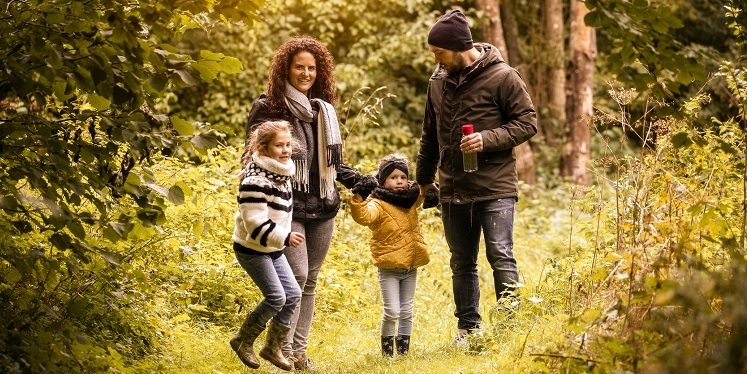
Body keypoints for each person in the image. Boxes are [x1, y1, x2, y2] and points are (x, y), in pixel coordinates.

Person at [415, 9, 538, 346]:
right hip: (453, 187)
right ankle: (468, 330)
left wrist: (487, 139)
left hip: (495, 186)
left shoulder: (503, 77)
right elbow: (429, 134)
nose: (435, 58)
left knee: (500, 254)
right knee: (461, 262)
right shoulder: (438, 82)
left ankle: (510, 329)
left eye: (439, 52)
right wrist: (424, 179)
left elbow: (527, 122)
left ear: (458, 46)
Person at [245, 36, 361, 370]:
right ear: (286, 68)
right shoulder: (268, 107)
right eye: (299, 67)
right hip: (288, 207)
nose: (306, 73)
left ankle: (298, 352)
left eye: (311, 68)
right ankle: (276, 347)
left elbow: (332, 163)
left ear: (319, 71)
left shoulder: (323, 109)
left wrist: (361, 181)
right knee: (295, 276)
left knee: (310, 278)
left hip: (323, 205)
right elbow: (254, 157)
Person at [230, 120, 305, 371]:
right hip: (252, 249)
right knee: (276, 297)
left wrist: (282, 238)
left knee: (293, 294)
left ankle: (272, 347)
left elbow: (280, 213)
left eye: (287, 145)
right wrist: (285, 238)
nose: (285, 151)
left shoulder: (281, 172)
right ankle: (243, 340)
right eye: (278, 146)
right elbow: (255, 224)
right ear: (263, 148)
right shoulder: (255, 181)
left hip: (271, 248)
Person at [348, 154, 436, 357]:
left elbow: (425, 192)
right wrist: (359, 197)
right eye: (393, 177)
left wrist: (432, 193)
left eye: (403, 177)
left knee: (406, 312)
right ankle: (387, 355)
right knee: (392, 312)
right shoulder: (377, 203)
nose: (399, 181)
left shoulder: (411, 198)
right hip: (389, 268)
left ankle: (403, 354)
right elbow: (363, 216)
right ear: (383, 180)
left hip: (410, 266)